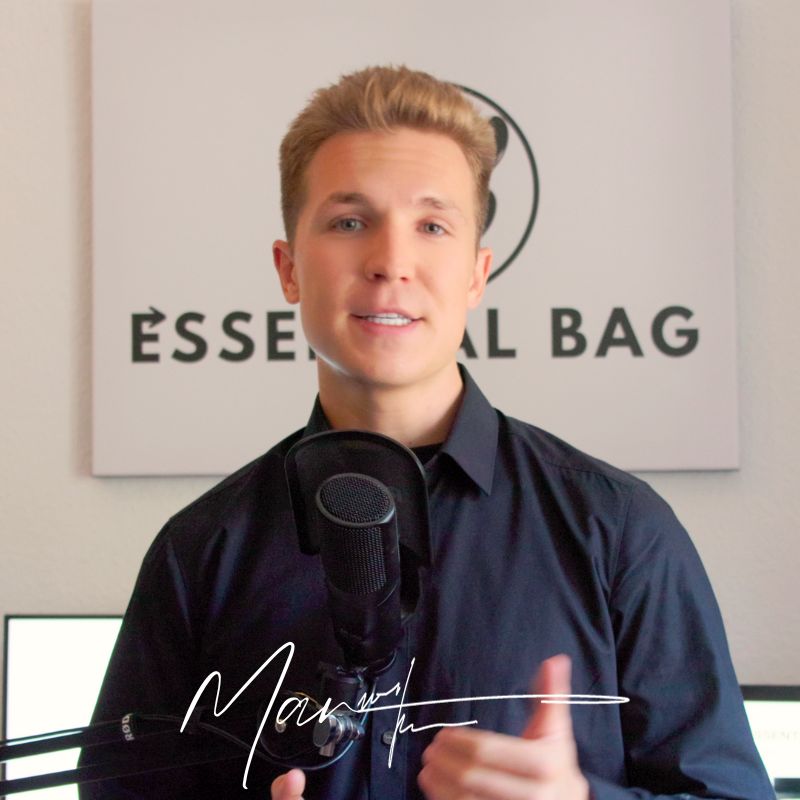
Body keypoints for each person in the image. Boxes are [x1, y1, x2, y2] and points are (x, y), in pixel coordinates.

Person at [82, 66, 773, 800]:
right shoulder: (201, 551)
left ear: (476, 273)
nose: (390, 263)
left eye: (432, 226)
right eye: (350, 223)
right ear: (289, 269)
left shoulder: (619, 532)